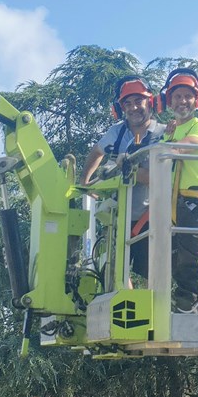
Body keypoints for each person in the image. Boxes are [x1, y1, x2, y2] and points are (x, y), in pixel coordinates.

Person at [80, 75, 165, 279]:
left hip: (153, 216)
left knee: (151, 273)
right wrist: (84, 182)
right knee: (116, 271)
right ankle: (130, 308)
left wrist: (131, 170)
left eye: (138, 101)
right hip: (121, 216)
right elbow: (96, 152)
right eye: (127, 103)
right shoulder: (117, 132)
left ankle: (150, 310)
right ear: (120, 109)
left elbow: (164, 180)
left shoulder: (164, 134)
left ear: (151, 102)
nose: (133, 108)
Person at [159, 68, 198, 312]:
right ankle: (184, 301)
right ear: (168, 101)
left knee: (190, 254)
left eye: (187, 96)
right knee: (173, 256)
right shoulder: (169, 133)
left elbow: (185, 147)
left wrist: (169, 141)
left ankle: (193, 303)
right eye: (177, 96)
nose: (183, 101)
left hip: (195, 201)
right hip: (171, 203)